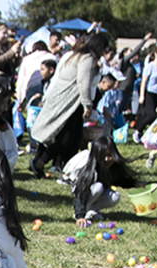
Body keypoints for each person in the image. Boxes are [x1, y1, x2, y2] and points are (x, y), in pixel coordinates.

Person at [29, 33, 110, 179]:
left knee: (73, 140)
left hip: (71, 104)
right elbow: (83, 83)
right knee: (64, 140)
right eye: (104, 48)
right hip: (66, 103)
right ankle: (39, 163)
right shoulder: (86, 58)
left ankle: (65, 171)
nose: (105, 52)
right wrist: (87, 105)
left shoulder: (78, 56)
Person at [63, 136, 138, 227]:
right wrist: (79, 215)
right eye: (103, 156)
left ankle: (91, 210)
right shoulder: (89, 169)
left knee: (115, 196)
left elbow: (120, 180)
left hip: (94, 193)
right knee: (98, 187)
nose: (107, 159)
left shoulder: (112, 167)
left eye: (110, 155)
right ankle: (85, 212)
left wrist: (136, 183)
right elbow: (80, 193)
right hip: (83, 192)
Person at [134, 45, 157, 143]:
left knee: (151, 115)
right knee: (151, 115)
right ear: (156, 54)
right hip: (149, 93)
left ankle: (146, 135)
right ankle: (138, 131)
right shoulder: (150, 66)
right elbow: (144, 81)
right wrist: (142, 95)